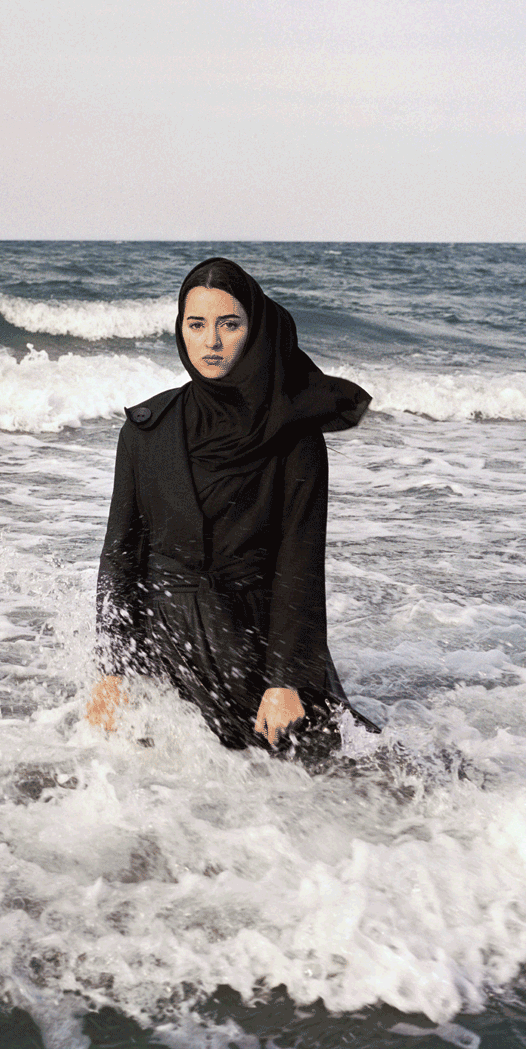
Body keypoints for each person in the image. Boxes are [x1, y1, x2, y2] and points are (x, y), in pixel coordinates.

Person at [85, 257, 378, 760]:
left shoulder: (295, 435)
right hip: (168, 652)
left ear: (255, 329)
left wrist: (285, 681)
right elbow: (120, 557)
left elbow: (299, 564)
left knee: (350, 777)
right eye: (196, 325)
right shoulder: (146, 431)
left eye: (229, 324)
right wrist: (113, 669)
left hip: (258, 650)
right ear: (181, 330)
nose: (212, 342)